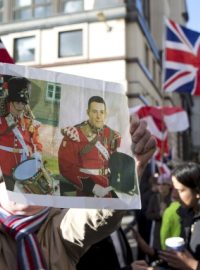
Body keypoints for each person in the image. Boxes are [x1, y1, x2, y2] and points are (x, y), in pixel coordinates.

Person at [0, 115, 156, 270]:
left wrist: (130, 168)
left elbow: (98, 214)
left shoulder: (59, 227)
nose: (27, 187)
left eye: (37, 174)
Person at [58, 95, 135, 197]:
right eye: (94, 112)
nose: (99, 116)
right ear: (88, 112)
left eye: (101, 112)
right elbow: (66, 168)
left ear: (105, 114)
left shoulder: (111, 134)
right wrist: (92, 187)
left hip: (108, 189)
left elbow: (122, 154)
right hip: (87, 192)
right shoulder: (74, 135)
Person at [0, 76, 42, 191]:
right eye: (17, 102)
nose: (20, 107)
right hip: (3, 168)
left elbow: (36, 142)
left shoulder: (29, 121)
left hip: (23, 169)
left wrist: (37, 154)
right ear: (10, 101)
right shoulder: (1, 120)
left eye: (23, 103)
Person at [159, 162, 200, 270]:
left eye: (180, 190)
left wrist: (193, 265)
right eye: (173, 189)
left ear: (197, 191)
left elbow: (190, 262)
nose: (173, 195)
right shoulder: (186, 214)